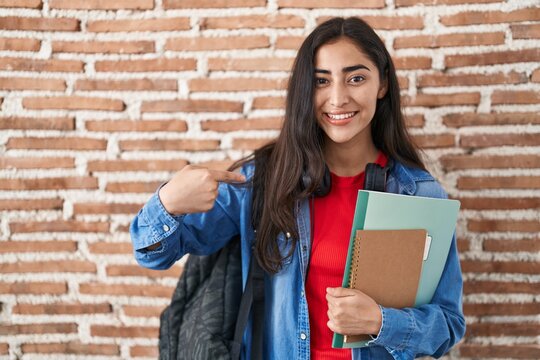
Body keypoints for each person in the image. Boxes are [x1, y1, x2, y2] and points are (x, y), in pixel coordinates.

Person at [130, 17, 465, 360]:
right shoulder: (263, 180)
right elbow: (150, 252)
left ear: (382, 85)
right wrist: (168, 201)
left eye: (356, 78)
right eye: (321, 81)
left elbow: (449, 325)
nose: (337, 98)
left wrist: (382, 321)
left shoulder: (418, 193)